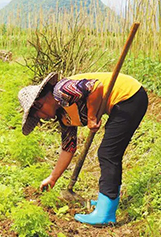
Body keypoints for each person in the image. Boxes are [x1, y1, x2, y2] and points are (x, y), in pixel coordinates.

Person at [18, 72, 148, 225]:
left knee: (108, 153)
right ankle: (105, 202)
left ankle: (105, 214)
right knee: (108, 153)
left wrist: (92, 117)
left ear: (39, 104)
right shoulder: (64, 116)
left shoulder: (61, 91)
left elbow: (95, 87)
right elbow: (68, 148)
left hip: (130, 96)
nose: (43, 119)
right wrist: (53, 178)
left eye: (38, 115)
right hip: (123, 102)